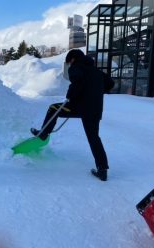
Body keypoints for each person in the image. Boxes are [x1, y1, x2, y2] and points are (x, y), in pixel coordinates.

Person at [30, 49, 114, 181]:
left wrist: (70, 95)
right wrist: (94, 90)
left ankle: (43, 133)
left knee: (53, 108)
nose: (69, 65)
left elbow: (78, 81)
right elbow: (110, 83)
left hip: (79, 106)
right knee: (94, 138)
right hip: (95, 109)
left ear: (73, 59)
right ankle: (102, 170)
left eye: (69, 62)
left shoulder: (76, 67)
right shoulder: (96, 71)